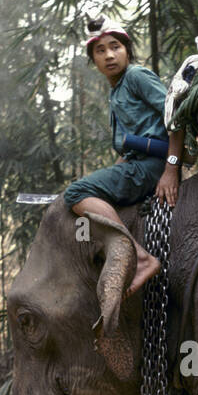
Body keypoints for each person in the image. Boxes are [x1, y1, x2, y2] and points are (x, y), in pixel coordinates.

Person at [64, 18, 186, 295]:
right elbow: (128, 148)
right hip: (137, 162)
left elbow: (175, 114)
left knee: (75, 193)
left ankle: (141, 258)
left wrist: (171, 168)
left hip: (154, 164)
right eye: (100, 50)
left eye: (115, 47)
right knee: (90, 187)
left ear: (127, 50)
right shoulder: (116, 91)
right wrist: (109, 176)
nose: (109, 55)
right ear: (93, 59)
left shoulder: (136, 77)